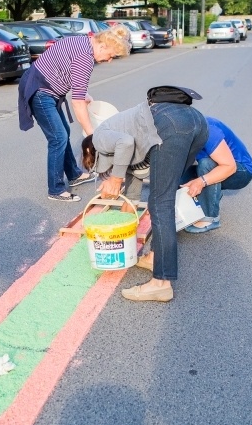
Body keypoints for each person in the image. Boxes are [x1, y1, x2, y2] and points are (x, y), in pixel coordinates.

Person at [86, 86, 208, 302]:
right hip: (197, 122)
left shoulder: (99, 138)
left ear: (90, 152)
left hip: (170, 123)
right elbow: (132, 194)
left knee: (161, 202)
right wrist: (121, 231)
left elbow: (125, 143)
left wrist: (115, 179)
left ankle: (160, 284)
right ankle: (154, 257)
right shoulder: (133, 152)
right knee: (162, 197)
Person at [18, 24, 131, 202]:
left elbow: (67, 69)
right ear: (103, 46)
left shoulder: (84, 41)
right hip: (40, 90)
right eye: (111, 56)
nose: (109, 60)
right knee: (58, 137)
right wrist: (91, 135)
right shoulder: (85, 57)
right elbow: (77, 103)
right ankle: (55, 190)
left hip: (45, 86)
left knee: (64, 132)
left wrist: (83, 93)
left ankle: (73, 174)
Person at [179, 116, 252, 233]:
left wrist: (200, 182)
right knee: (178, 177)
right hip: (217, 164)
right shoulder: (182, 130)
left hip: (241, 169)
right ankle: (211, 195)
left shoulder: (209, 131)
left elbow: (229, 166)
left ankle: (211, 217)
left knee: (206, 164)